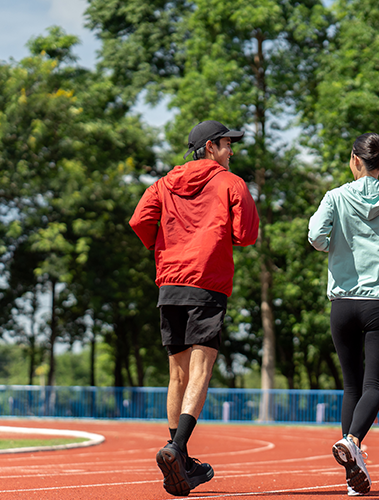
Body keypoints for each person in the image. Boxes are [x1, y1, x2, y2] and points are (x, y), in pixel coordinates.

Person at [129, 120, 259, 496]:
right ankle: (176, 449)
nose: (231, 150)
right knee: (201, 369)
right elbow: (247, 234)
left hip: (169, 283)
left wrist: (165, 244)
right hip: (206, 283)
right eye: (226, 144)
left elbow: (140, 221)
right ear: (209, 147)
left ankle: (181, 461)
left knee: (176, 374)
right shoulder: (230, 182)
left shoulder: (163, 184)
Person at [308, 132, 379, 496]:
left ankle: (351, 474)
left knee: (351, 386)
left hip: (342, 303)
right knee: (374, 385)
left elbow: (315, 236)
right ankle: (353, 440)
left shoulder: (334, 197)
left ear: (355, 160)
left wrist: (334, 245)